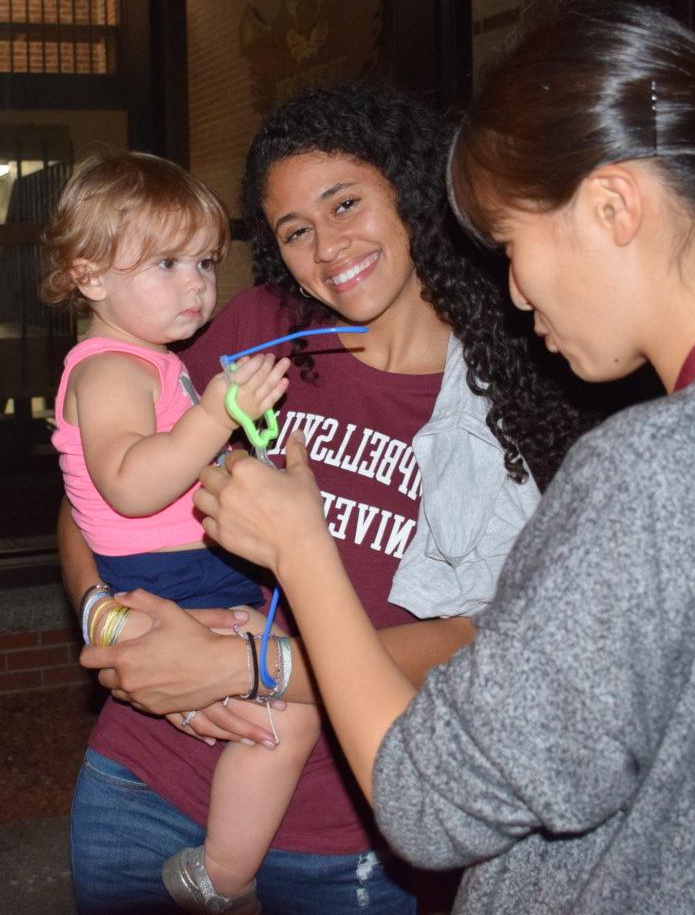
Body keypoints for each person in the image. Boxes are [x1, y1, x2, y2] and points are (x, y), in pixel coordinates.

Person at [190, 1, 695, 913]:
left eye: (509, 245)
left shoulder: (654, 473)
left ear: (614, 205)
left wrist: (302, 548)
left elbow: (428, 800)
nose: (513, 289)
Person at [68, 87, 600, 914]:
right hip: (146, 778)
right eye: (295, 231)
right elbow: (90, 502)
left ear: (411, 190)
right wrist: (115, 631)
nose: (327, 247)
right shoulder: (252, 328)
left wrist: (250, 667)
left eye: (345, 202)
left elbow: (481, 641)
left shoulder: (515, 396)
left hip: (344, 835)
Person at [41, 151, 319, 915]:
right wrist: (215, 417)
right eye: (165, 263)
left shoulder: (149, 359)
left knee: (263, 697)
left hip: (188, 568)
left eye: (203, 261)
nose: (196, 284)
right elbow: (130, 486)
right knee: (286, 713)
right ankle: (221, 876)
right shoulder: (108, 369)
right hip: (171, 574)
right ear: (90, 276)